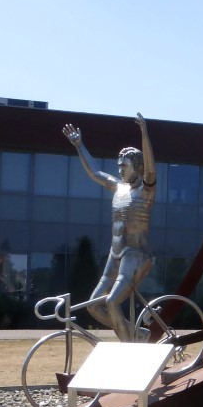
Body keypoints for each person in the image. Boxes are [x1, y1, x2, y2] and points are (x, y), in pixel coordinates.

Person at [62, 114, 156, 343]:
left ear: (137, 167)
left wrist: (144, 134)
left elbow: (151, 170)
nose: (120, 169)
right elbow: (95, 173)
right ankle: (138, 334)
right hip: (115, 255)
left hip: (136, 255)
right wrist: (79, 145)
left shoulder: (146, 190)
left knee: (112, 302)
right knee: (93, 306)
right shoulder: (118, 188)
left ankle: (129, 350)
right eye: (118, 165)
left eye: (124, 166)